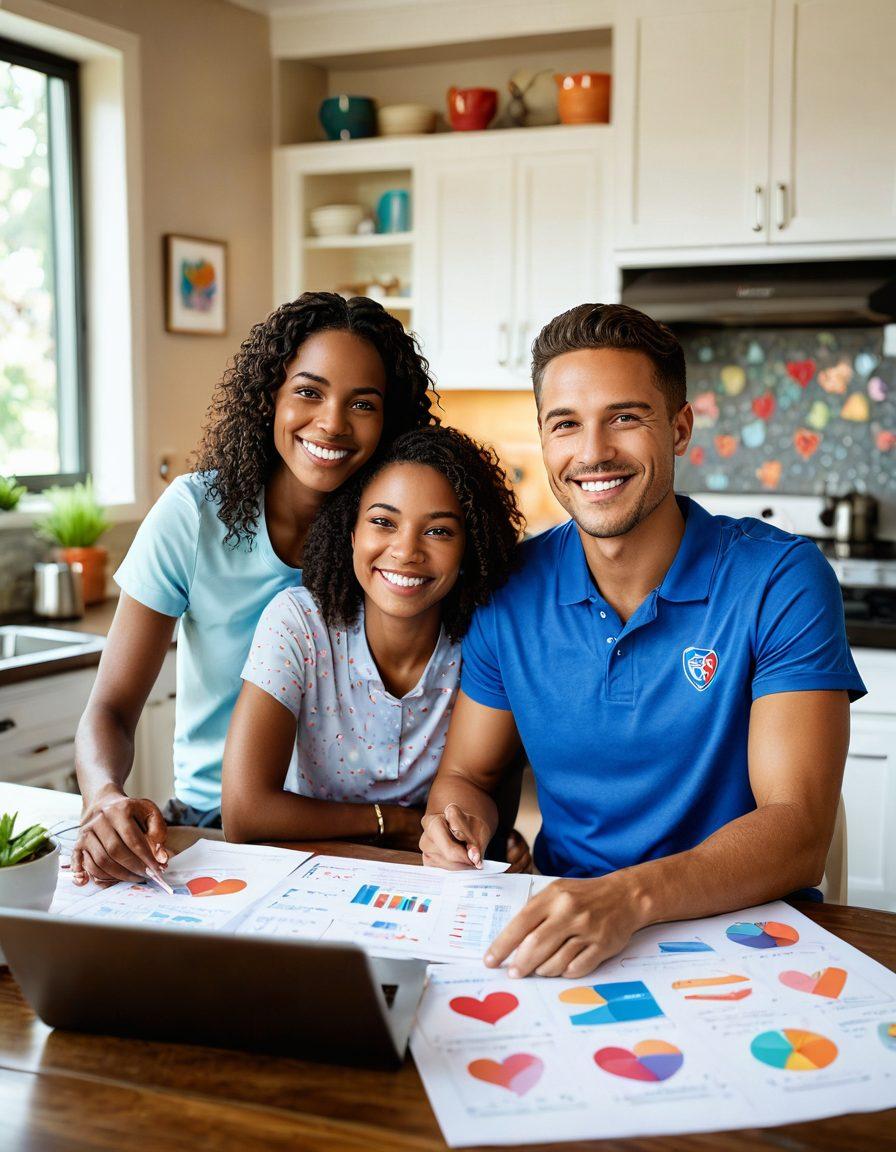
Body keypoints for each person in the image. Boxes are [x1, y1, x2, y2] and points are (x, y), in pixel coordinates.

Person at [420, 302, 865, 978]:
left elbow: (799, 830)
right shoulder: (507, 590)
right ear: (544, 439)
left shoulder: (780, 578)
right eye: (566, 425)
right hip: (568, 936)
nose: (593, 451)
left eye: (625, 417)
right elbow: (468, 776)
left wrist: (627, 898)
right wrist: (455, 826)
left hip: (753, 940)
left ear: (680, 428)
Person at [72, 292, 437, 886]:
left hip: (353, 824)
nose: (332, 423)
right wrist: (103, 796)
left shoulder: (393, 542)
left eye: (362, 404)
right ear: (271, 395)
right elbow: (110, 708)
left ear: (389, 421)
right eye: (309, 391)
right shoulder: (194, 515)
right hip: (214, 825)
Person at [222, 425, 530, 865]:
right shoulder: (298, 623)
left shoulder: (486, 641)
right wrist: (397, 822)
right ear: (351, 534)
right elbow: (244, 814)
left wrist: (489, 840)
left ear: (469, 549)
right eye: (383, 522)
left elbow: (489, 801)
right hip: (309, 872)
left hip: (430, 880)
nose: (406, 551)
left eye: (439, 531)